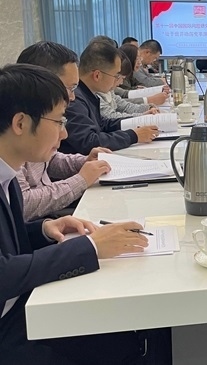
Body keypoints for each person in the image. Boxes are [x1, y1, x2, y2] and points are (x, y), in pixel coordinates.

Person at [0, 63, 149, 364]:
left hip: (20, 304)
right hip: (8, 328)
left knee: (128, 333)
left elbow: (9, 243)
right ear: (20, 123)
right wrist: (90, 247)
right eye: (58, 121)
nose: (65, 132)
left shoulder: (8, 174)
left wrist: (45, 228)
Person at [15, 42, 112, 220]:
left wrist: (83, 162)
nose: (73, 97)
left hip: (46, 221)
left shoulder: (38, 117)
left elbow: (49, 159)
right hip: (39, 221)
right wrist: (81, 180)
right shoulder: (18, 127)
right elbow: (22, 204)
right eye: (70, 88)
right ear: (43, 82)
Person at [59, 41, 159, 155]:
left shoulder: (88, 93)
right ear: (97, 75)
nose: (119, 81)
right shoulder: (74, 99)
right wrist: (133, 136)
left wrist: (138, 119)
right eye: (116, 75)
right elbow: (89, 142)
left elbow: (103, 124)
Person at [97, 49, 157, 120]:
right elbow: (111, 117)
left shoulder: (108, 91)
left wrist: (147, 108)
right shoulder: (96, 94)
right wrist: (143, 115)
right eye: (117, 76)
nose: (139, 62)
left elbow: (125, 106)